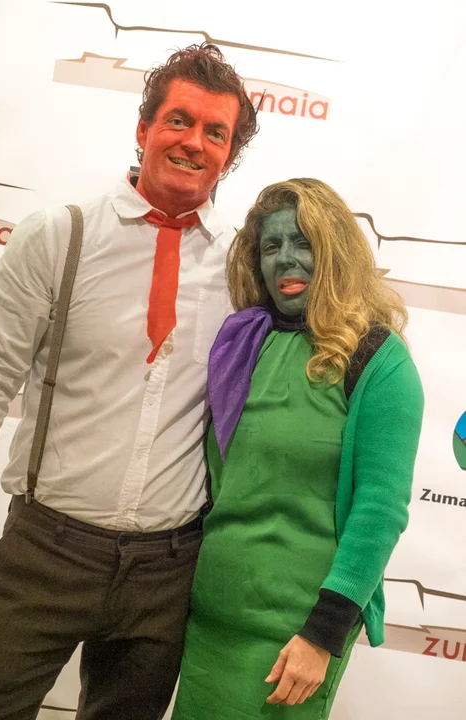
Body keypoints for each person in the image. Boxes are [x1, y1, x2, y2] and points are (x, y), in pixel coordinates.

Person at [0, 44, 258, 719]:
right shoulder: (59, 236)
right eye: (178, 120)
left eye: (215, 132)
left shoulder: (242, 267)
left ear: (228, 156)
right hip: (46, 549)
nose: (194, 142)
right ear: (144, 128)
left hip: (170, 567)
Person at [171, 178, 424, 719]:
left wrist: (323, 634)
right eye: (271, 245)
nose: (285, 258)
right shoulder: (243, 344)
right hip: (209, 619)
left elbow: (379, 510)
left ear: (335, 250)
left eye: (303, 242)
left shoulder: (379, 360)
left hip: (294, 637)